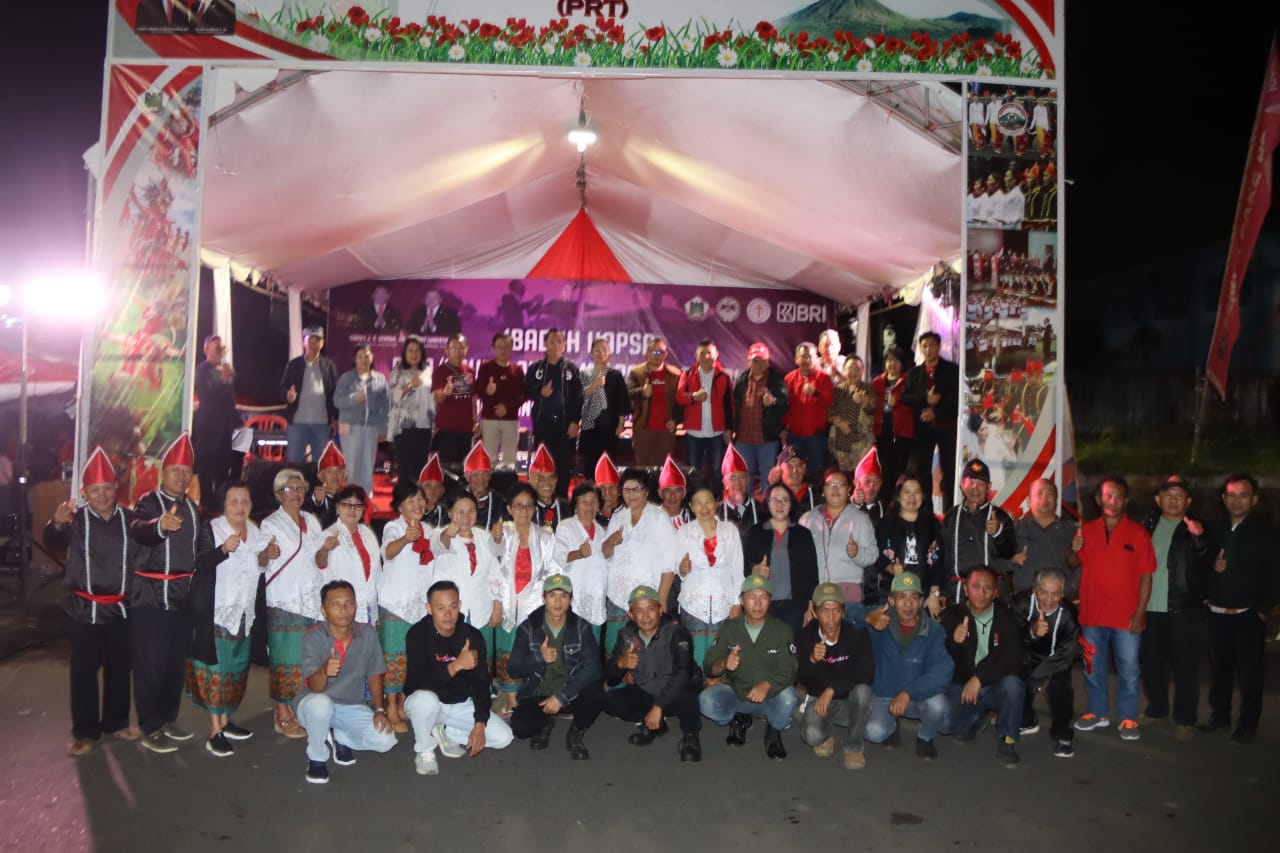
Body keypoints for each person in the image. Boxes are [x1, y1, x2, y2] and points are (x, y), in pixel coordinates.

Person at [45, 447, 141, 756]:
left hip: (121, 608)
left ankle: (116, 722)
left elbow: (149, 544)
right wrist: (56, 522)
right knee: (83, 672)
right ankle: (85, 731)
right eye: (95, 489)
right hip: (83, 609)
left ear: (116, 488)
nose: (102, 495)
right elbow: (53, 541)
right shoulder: (75, 520)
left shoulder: (131, 520)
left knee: (119, 668)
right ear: (85, 492)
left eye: (107, 488)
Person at [189, 482, 279, 757]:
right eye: (234, 502)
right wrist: (222, 550)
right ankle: (214, 730)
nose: (241, 507)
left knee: (236, 669)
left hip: (244, 612)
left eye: (245, 501)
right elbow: (200, 562)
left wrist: (266, 556)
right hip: (216, 612)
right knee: (216, 671)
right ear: (224, 505)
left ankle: (226, 721)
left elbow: (258, 567)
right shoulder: (212, 528)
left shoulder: (255, 531)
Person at [129, 433, 201, 754]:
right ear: (163, 471)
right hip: (150, 597)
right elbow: (138, 530)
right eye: (176, 470)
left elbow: (201, 551)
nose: (181, 476)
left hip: (182, 598)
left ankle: (168, 719)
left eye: (187, 471)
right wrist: (160, 525)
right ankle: (149, 726)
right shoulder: (148, 502)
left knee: (174, 665)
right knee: (150, 666)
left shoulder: (194, 509)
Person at [402, 580, 513, 776]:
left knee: (504, 738)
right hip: (427, 703)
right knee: (424, 700)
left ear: (460, 605)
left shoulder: (472, 636)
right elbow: (418, 684)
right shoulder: (417, 634)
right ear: (429, 608)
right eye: (440, 608)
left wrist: (480, 723)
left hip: (460, 704)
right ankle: (425, 750)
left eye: (453, 607)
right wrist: (456, 665)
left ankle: (446, 730)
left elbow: (481, 683)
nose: (448, 614)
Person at [1073, 476, 1155, 741]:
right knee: (1092, 666)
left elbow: (1146, 577)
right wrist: (1073, 549)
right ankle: (1097, 712)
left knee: (1128, 669)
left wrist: (1140, 612)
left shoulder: (1138, 534)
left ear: (1125, 501)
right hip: (1092, 614)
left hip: (1126, 616)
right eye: (1108, 496)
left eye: (1119, 496)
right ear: (1099, 499)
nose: (1113, 501)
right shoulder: (1086, 531)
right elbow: (1072, 561)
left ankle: (1128, 716)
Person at [296, 580, 398, 784]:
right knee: (321, 704)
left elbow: (374, 674)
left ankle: (339, 735)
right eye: (335, 604)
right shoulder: (313, 637)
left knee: (386, 741)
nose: (344, 609)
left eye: (349, 603)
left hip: (351, 705)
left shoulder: (367, 633)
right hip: (313, 704)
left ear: (356, 605)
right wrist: (324, 670)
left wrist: (380, 710)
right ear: (323, 610)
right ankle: (317, 757)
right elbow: (314, 688)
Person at [1202, 474, 1278, 745]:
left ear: (1254, 499)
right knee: (1219, 671)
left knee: (1250, 674)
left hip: (1247, 615)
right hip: (1216, 613)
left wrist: (1263, 609)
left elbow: (1275, 574)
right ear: (1223, 498)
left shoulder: (1265, 533)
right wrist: (1211, 568)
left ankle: (1247, 725)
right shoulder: (1215, 528)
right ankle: (1220, 717)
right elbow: (1201, 563)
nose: (1237, 501)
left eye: (1243, 495)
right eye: (1231, 495)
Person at [1139, 475, 1211, 740]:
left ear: (1188, 501)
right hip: (1149, 609)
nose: (1173, 500)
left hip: (1184, 609)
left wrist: (1199, 539)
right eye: (1168, 496)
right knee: (1151, 664)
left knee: (1185, 667)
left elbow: (1207, 558)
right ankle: (1157, 710)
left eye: (1179, 496)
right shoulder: (1146, 526)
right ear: (1158, 500)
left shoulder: (1196, 527)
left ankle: (1185, 719)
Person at [699, 574, 799, 759]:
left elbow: (791, 668)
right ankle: (740, 717)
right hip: (738, 693)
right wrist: (724, 663)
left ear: (770, 600)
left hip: (770, 695)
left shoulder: (782, 629)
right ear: (741, 600)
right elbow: (708, 666)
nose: (758, 604)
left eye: (763, 597)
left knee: (789, 697)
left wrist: (767, 684)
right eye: (752, 597)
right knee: (706, 701)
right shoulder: (729, 628)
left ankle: (774, 731)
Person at [506, 574, 605, 759]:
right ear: (543, 598)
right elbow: (513, 669)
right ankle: (545, 723)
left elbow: (594, 668)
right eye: (552, 595)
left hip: (570, 693)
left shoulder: (581, 627)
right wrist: (538, 657)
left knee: (596, 695)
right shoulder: (528, 628)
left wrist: (562, 696)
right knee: (521, 728)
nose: (558, 602)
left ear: (571, 599)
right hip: (538, 693)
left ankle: (575, 733)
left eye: (564, 596)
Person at [259, 468, 325, 739]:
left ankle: (299, 707)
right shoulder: (270, 524)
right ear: (278, 495)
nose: (296, 494)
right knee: (284, 660)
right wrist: (267, 553)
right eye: (290, 489)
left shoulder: (312, 520)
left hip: (311, 601)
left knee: (307, 661)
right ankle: (282, 713)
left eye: (300, 489)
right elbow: (259, 559)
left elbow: (319, 560)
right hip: (284, 600)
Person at [605, 585, 703, 762]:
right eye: (639, 611)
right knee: (612, 700)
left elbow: (683, 673)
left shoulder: (678, 632)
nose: (645, 616)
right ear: (631, 615)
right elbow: (611, 679)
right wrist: (620, 664)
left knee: (687, 694)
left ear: (660, 610)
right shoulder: (626, 635)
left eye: (650, 609)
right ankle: (654, 726)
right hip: (647, 690)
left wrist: (658, 707)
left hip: (675, 691)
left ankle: (691, 737)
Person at [939, 567, 1025, 768]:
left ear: (995, 591)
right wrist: (953, 640)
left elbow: (1012, 658)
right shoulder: (952, 615)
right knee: (944, 725)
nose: (982, 592)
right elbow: (940, 655)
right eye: (976, 586)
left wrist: (979, 678)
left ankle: (1007, 739)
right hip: (962, 685)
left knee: (1014, 685)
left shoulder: (1005, 616)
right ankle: (977, 718)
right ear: (966, 589)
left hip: (994, 684)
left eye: (988, 587)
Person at [863, 572, 954, 761]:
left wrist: (908, 693)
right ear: (891, 600)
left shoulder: (934, 630)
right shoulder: (879, 622)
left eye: (914, 597)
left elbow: (943, 671)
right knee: (873, 732)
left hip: (917, 696)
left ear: (921, 601)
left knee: (938, 706)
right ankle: (892, 725)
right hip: (886, 695)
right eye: (901, 597)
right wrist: (868, 617)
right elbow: (845, 613)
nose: (908, 603)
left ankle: (925, 737)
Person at [493, 483, 560, 711]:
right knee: (507, 651)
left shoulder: (545, 537)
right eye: (519, 506)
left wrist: (548, 602)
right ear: (509, 508)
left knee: (533, 651)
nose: (524, 511)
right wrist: (496, 538)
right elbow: (492, 564)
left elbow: (553, 572)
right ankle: (511, 701)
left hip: (534, 604)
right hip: (506, 602)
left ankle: (531, 698)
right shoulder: (502, 533)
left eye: (529, 506)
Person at [377, 480, 436, 733]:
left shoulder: (429, 530)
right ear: (400, 506)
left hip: (420, 607)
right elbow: (388, 552)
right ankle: (390, 707)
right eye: (411, 500)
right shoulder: (393, 527)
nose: (417, 504)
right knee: (393, 658)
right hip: (396, 605)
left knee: (413, 659)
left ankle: (403, 703)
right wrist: (405, 538)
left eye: (420, 499)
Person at [796, 583, 874, 769]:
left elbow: (866, 673)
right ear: (815, 612)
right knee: (812, 737)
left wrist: (832, 689)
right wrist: (811, 660)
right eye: (825, 610)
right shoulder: (805, 636)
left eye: (836, 610)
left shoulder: (857, 634)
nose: (831, 618)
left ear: (844, 612)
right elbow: (801, 679)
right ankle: (827, 732)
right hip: (819, 698)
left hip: (849, 701)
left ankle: (854, 746)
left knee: (863, 691)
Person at [602, 468, 678, 652]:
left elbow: (670, 563)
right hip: (617, 596)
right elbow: (605, 553)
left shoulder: (659, 517)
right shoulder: (618, 517)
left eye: (636, 489)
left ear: (646, 491)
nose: (631, 495)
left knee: (645, 651)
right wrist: (610, 542)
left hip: (647, 599)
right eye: (626, 490)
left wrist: (661, 599)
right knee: (615, 651)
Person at [1011, 567, 1079, 758]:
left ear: (1062, 594)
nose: (1049, 599)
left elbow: (1067, 654)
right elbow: (1012, 636)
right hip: (1027, 655)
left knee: (1061, 688)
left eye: (1055, 593)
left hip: (1057, 659)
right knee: (1017, 680)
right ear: (1035, 590)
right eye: (1043, 592)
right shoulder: (1021, 603)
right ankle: (1027, 720)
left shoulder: (1069, 614)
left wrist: (1038, 675)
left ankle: (1063, 735)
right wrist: (1032, 631)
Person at [675, 485, 745, 664]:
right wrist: (682, 568)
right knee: (694, 658)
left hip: (724, 606)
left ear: (716, 503)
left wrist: (737, 602)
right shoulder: (684, 532)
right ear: (691, 506)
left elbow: (737, 569)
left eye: (708, 502)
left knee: (722, 657)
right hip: (694, 606)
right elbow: (678, 569)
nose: (704, 507)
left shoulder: (730, 530)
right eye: (698, 503)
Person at [799, 468, 877, 624]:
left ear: (849, 490)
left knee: (849, 638)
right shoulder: (807, 519)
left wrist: (857, 553)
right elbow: (798, 558)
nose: (835, 489)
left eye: (841, 484)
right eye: (830, 484)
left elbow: (872, 555)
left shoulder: (860, 519)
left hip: (848, 595)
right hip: (817, 594)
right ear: (822, 491)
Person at [743, 482, 820, 636]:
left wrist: (811, 604)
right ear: (767, 503)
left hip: (796, 606)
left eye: (785, 500)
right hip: (763, 604)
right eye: (775, 500)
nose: (780, 504)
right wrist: (755, 570)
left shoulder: (803, 534)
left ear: (791, 504)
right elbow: (744, 568)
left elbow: (812, 573)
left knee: (792, 647)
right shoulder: (755, 533)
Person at [940, 459, 1017, 605]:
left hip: (990, 594)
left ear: (989, 487)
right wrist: (941, 591)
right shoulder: (951, 517)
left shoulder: (1000, 517)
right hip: (957, 594)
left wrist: (998, 533)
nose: (975, 488)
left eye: (981, 483)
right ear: (962, 485)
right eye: (971, 482)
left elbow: (1010, 552)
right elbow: (942, 556)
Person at [868, 474, 944, 614]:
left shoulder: (932, 524)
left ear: (923, 496)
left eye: (917, 492)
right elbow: (877, 557)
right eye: (907, 491)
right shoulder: (886, 524)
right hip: (892, 594)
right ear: (898, 496)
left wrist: (934, 593)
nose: (912, 497)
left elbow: (938, 561)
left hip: (923, 595)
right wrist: (891, 568)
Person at [903, 331, 960, 512]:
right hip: (923, 429)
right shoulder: (914, 373)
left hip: (947, 427)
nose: (928, 350)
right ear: (920, 348)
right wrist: (925, 399)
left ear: (939, 347)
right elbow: (905, 397)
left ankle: (950, 511)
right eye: (924, 346)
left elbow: (956, 397)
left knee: (950, 470)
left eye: (932, 345)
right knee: (922, 471)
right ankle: (925, 511)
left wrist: (936, 412)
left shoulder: (952, 370)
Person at [522, 329, 581, 493]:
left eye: (559, 342)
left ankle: (561, 498)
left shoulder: (571, 369)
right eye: (552, 342)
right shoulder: (536, 368)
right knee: (543, 464)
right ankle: (542, 498)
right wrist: (539, 392)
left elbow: (578, 398)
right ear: (545, 344)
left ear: (564, 345)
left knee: (563, 465)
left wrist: (574, 421)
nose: (555, 345)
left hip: (565, 426)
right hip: (543, 423)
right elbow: (525, 390)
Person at [315, 485, 381, 626]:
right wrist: (325, 549)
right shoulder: (330, 534)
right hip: (341, 608)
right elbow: (319, 563)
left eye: (357, 505)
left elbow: (377, 573)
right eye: (346, 504)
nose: (352, 509)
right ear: (337, 508)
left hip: (367, 607)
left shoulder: (368, 534)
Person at [676, 338, 734, 495]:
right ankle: (693, 500)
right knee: (693, 471)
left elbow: (729, 405)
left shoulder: (723, 377)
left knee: (716, 471)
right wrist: (694, 396)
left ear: (716, 354)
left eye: (709, 353)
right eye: (702, 353)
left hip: (717, 433)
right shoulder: (688, 373)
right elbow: (679, 397)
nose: (706, 356)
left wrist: (729, 429)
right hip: (694, 433)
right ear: (696, 355)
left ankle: (716, 500)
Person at [732, 342, 788, 500]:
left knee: (768, 478)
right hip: (743, 438)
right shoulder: (741, 378)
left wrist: (773, 401)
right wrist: (731, 429)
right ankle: (746, 509)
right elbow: (734, 405)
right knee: (744, 478)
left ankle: (766, 510)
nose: (758, 363)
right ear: (748, 361)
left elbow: (784, 405)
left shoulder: (776, 380)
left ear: (768, 362)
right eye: (755, 360)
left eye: (761, 360)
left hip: (767, 438)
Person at [334, 344, 390, 495]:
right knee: (352, 465)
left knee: (368, 464)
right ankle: (352, 497)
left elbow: (386, 406)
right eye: (360, 357)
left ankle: (366, 497)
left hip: (371, 427)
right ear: (355, 359)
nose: (364, 360)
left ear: (372, 358)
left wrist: (383, 429)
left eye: (367, 356)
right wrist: (354, 399)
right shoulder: (346, 378)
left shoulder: (380, 379)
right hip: (349, 426)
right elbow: (337, 401)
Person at [553, 484, 609, 633]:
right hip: (575, 596)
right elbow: (559, 555)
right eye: (584, 502)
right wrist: (578, 553)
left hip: (597, 598)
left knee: (593, 642)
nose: (589, 506)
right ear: (575, 506)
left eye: (593, 501)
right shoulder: (565, 527)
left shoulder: (602, 531)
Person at [192, 334, 239, 511]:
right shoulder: (202, 370)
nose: (220, 351)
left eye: (222, 348)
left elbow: (231, 398)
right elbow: (207, 395)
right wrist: (224, 380)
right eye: (216, 348)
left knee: (223, 465)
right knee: (206, 466)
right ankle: (206, 502)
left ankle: (220, 500)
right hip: (208, 425)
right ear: (206, 350)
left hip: (225, 425)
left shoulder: (226, 369)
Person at [1011, 479, 1080, 596]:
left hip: (1058, 600)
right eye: (1039, 493)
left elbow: (1081, 565)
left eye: (1049, 494)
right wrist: (1011, 561)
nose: (1044, 498)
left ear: (1056, 501)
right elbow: (998, 563)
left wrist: (1070, 589)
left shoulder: (1071, 531)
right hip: (1024, 600)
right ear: (1029, 501)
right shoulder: (1015, 529)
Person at [280, 326, 338, 464]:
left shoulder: (329, 366)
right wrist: (287, 395)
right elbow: (281, 389)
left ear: (322, 343)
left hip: (321, 425)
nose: (314, 344)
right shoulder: (294, 364)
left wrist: (335, 418)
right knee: (294, 464)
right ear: (303, 342)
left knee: (320, 466)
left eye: (318, 340)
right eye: (310, 340)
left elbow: (335, 394)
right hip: (297, 423)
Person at [576, 337, 630, 477]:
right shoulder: (584, 374)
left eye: (604, 350)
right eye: (597, 350)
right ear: (591, 353)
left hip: (610, 428)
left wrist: (621, 424)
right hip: (589, 427)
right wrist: (595, 385)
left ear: (609, 352)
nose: (601, 353)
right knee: (589, 466)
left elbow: (622, 401)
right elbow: (579, 398)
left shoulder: (615, 375)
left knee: (607, 466)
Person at [627, 337, 682, 466]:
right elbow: (628, 393)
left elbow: (680, 403)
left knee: (663, 471)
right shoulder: (636, 372)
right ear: (647, 353)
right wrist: (642, 392)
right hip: (643, 430)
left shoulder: (675, 374)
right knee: (643, 469)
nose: (657, 355)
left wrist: (675, 420)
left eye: (661, 352)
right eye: (654, 351)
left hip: (666, 432)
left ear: (666, 354)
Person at [388, 337, 434, 485]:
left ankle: (418, 496)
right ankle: (404, 496)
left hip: (424, 426)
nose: (414, 354)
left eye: (417, 350)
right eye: (410, 350)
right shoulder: (398, 371)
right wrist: (410, 385)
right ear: (405, 353)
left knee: (420, 467)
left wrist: (434, 422)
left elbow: (431, 399)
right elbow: (394, 396)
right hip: (404, 427)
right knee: (406, 467)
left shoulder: (427, 371)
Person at [475, 332, 524, 470]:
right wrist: (487, 391)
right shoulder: (485, 367)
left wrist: (507, 407)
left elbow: (523, 396)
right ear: (493, 349)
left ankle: (507, 484)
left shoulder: (517, 370)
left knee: (510, 462)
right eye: (499, 347)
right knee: (489, 461)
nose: (503, 350)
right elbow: (478, 390)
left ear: (512, 349)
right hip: (489, 420)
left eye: (507, 347)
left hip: (511, 420)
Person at [782, 342, 834, 472]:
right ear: (796, 359)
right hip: (794, 436)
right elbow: (784, 408)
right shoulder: (789, 379)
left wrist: (815, 393)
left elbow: (829, 403)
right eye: (803, 356)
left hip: (816, 437)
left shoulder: (824, 379)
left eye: (809, 356)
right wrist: (783, 429)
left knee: (817, 471)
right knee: (793, 471)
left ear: (816, 358)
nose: (806, 360)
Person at [431, 334, 477, 474]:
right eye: (454, 348)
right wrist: (445, 392)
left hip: (466, 429)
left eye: (461, 348)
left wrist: (475, 421)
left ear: (466, 349)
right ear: (447, 350)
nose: (458, 352)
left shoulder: (470, 371)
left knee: (464, 469)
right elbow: (436, 398)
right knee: (447, 470)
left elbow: (473, 399)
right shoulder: (439, 371)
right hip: (446, 429)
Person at [870, 346, 913, 496]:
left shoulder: (909, 380)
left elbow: (914, 404)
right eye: (889, 360)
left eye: (896, 361)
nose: (892, 364)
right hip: (882, 432)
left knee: (900, 470)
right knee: (884, 470)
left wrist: (898, 404)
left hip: (902, 433)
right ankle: (885, 501)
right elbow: (871, 408)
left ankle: (898, 499)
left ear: (902, 363)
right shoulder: (877, 382)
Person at [827, 355, 875, 473]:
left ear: (862, 371)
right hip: (840, 443)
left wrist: (864, 402)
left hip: (861, 444)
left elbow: (873, 409)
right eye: (850, 369)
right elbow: (828, 411)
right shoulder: (837, 390)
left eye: (857, 369)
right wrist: (839, 422)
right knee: (842, 476)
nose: (853, 372)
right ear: (844, 370)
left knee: (860, 476)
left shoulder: (868, 389)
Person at [459, 441, 506, 530]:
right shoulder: (456, 499)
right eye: (476, 474)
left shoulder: (499, 502)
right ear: (467, 476)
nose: (480, 478)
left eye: (484, 474)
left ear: (490, 476)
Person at [718, 444, 763, 533]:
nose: (738, 482)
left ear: (748, 481)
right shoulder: (718, 511)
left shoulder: (760, 508)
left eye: (742, 477)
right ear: (725, 482)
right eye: (733, 478)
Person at [767, 444, 818, 520]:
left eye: (799, 465)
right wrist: (771, 486)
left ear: (804, 468)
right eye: (790, 466)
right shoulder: (773, 497)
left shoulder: (815, 495)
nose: (794, 471)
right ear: (779, 469)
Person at [303, 441, 346, 528]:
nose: (335, 476)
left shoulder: (350, 497)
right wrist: (318, 500)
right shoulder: (315, 497)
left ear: (345, 475)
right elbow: (316, 506)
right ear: (320, 476)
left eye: (339, 471)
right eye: (329, 471)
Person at [528, 444, 569, 532]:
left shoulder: (566, 508)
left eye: (551, 478)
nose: (547, 483)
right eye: (540, 478)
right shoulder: (525, 509)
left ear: (556, 479)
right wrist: (528, 490)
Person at [852, 447, 886, 527]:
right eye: (867, 481)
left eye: (877, 482)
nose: (872, 486)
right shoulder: (843, 506)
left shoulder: (886, 510)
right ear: (856, 482)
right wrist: (855, 503)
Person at [657, 455, 691, 529]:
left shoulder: (691, 517)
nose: (672, 495)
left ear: (684, 493)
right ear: (660, 493)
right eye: (667, 490)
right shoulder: (651, 517)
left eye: (677, 490)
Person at [417, 453, 449, 529]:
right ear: (419, 489)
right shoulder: (410, 510)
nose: (433, 490)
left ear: (442, 491)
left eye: (437, 486)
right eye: (428, 486)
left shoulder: (446, 512)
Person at [593, 452, 622, 525]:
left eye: (612, 487)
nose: (607, 492)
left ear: (619, 491)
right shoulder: (589, 516)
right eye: (602, 488)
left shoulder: (628, 515)